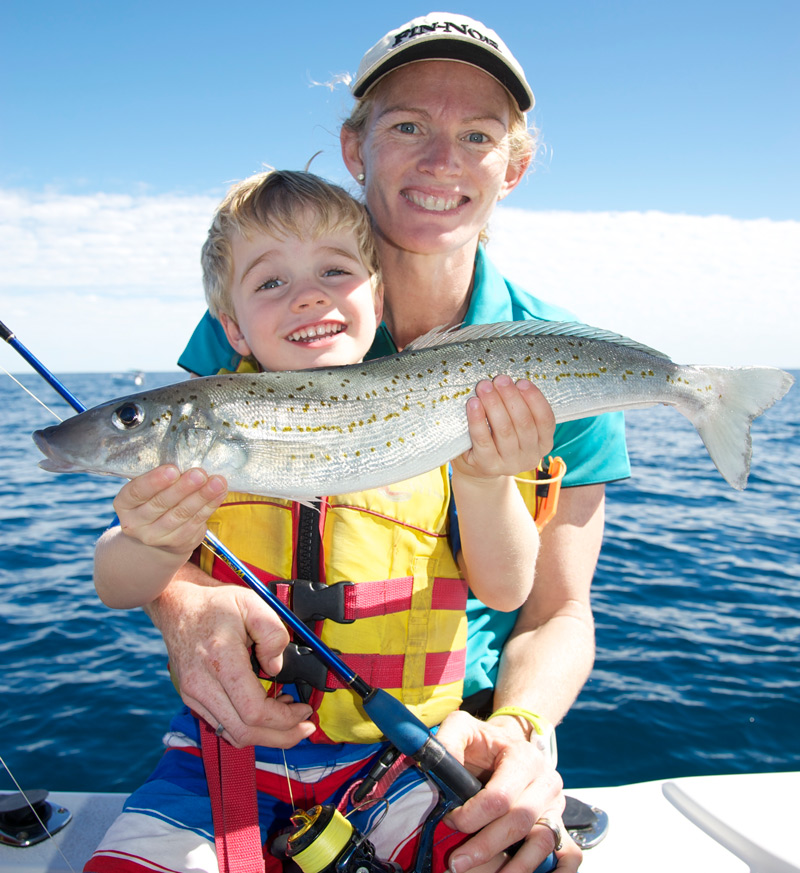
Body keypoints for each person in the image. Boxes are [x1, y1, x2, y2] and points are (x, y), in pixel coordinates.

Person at [143, 12, 631, 872]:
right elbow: (165, 531)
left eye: (476, 134)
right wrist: (183, 605)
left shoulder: (567, 364)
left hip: (449, 738)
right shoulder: (265, 320)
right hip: (260, 731)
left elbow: (556, 609)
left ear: (511, 166)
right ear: (355, 146)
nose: (441, 159)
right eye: (409, 125)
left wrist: (521, 736)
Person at [86, 168, 562, 873]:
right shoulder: (202, 433)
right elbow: (115, 581)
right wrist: (152, 538)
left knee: (501, 858)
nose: (307, 294)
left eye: (335, 270)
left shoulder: (442, 424)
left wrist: (486, 476)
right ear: (232, 325)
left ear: (377, 291)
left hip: (401, 760)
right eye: (270, 282)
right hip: (218, 763)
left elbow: (506, 585)